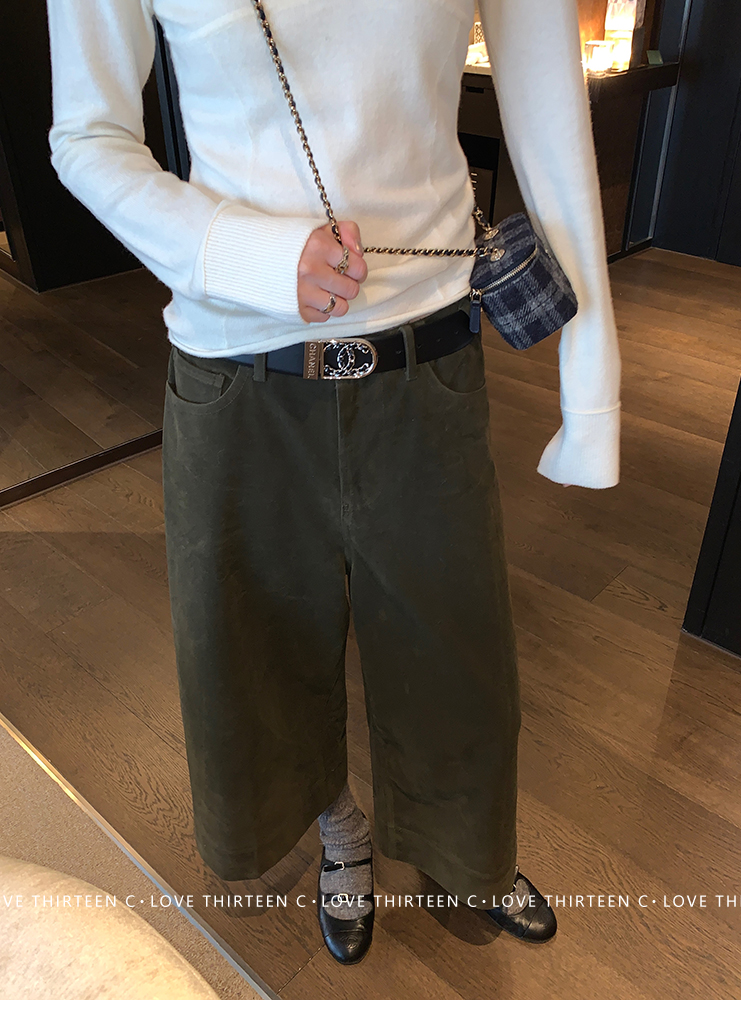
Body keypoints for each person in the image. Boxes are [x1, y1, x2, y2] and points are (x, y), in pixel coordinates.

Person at [46, 0, 621, 966]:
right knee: (258, 646)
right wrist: (248, 253)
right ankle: (339, 827)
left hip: (428, 352)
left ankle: (468, 851)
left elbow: (549, 108)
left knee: (458, 648)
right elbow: (87, 134)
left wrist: (593, 376)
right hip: (238, 362)